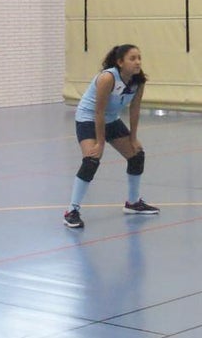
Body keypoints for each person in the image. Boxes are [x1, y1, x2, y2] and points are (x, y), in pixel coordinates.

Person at [64, 44, 160, 228]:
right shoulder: (108, 78)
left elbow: (135, 109)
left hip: (110, 119)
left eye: (139, 57)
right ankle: (72, 210)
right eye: (132, 58)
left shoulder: (138, 81)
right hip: (88, 118)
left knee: (136, 155)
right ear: (120, 62)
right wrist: (100, 143)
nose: (138, 62)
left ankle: (133, 203)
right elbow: (98, 112)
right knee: (91, 160)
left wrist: (133, 138)